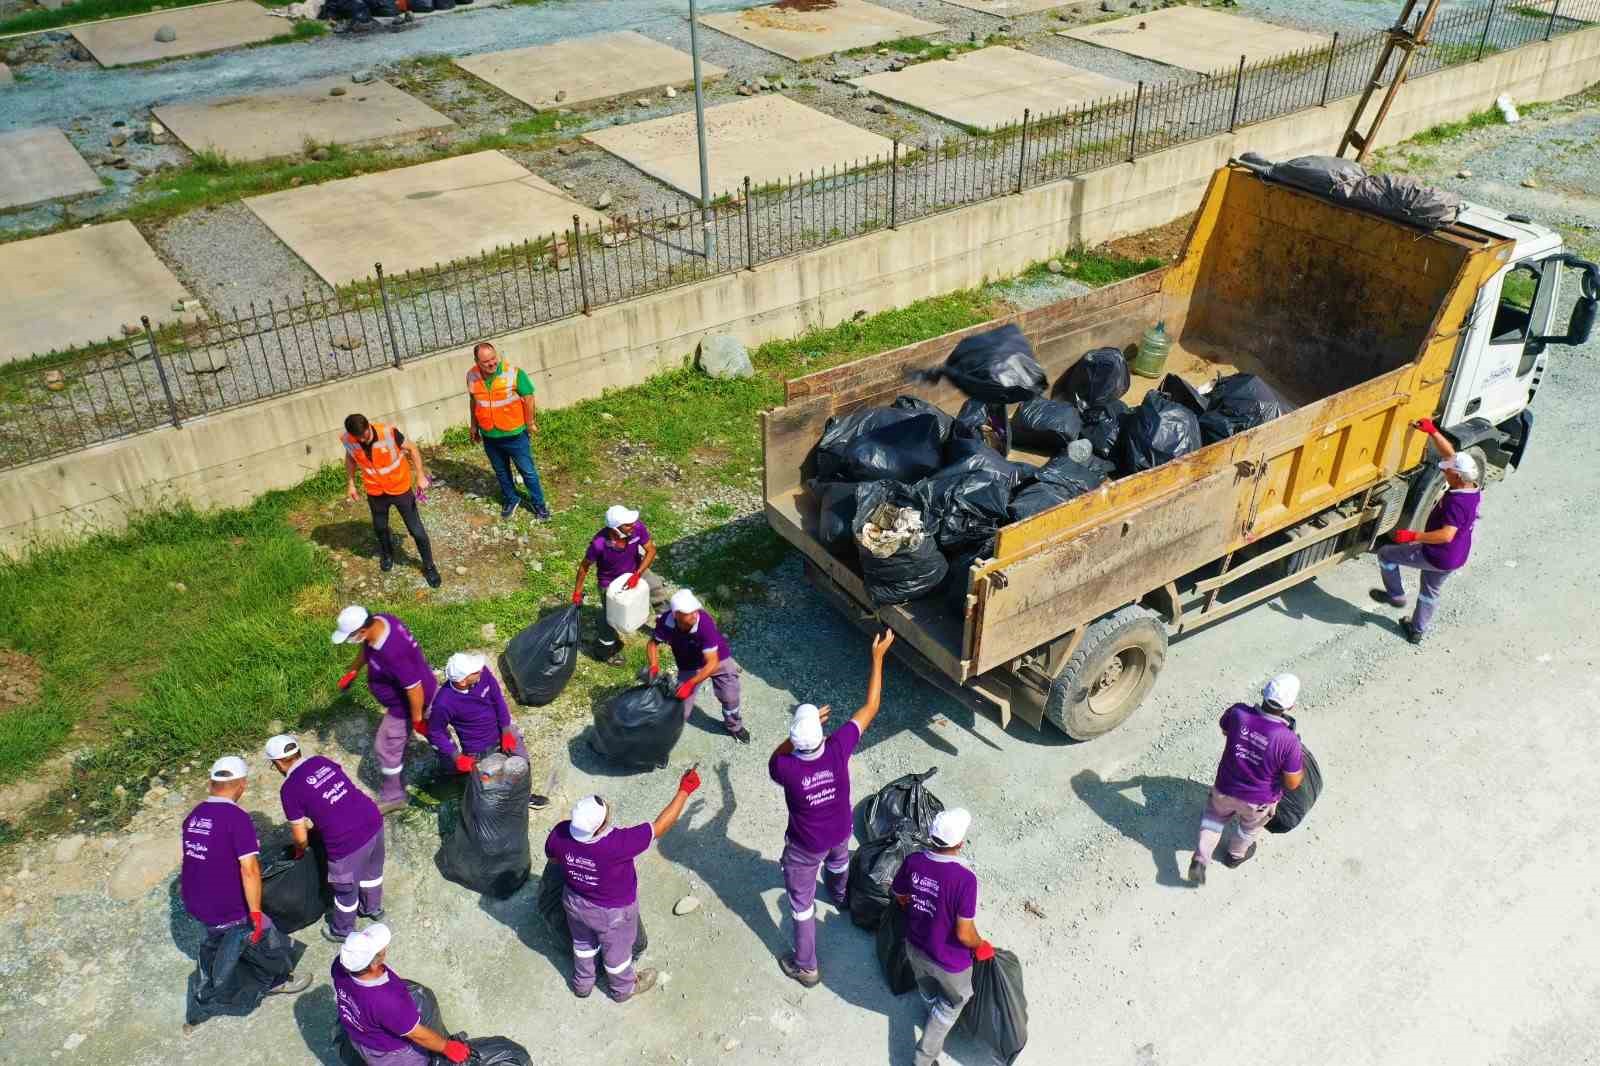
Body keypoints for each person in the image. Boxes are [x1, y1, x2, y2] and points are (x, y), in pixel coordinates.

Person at [769, 629, 896, 987]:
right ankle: (840, 896)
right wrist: (877, 658)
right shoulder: (839, 748)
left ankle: (806, 966)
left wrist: (793, 734)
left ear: (795, 741)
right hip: (841, 832)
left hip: (805, 848)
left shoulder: (787, 769)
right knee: (839, 862)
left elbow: (775, 757)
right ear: (822, 736)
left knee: (801, 906)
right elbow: (871, 707)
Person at [543, 770, 700, 1002]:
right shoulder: (618, 844)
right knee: (617, 955)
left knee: (583, 944)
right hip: (611, 914)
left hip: (574, 902)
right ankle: (622, 989)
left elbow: (553, 861)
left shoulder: (560, 833)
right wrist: (684, 791)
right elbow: (660, 826)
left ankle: (583, 984)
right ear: (599, 827)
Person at [180, 756, 309, 1033]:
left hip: (195, 898)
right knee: (259, 936)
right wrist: (254, 912)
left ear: (213, 783)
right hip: (225, 905)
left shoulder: (194, 816)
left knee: (221, 939)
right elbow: (249, 869)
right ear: (240, 785)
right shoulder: (236, 818)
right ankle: (273, 982)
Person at [892, 808, 993, 1066]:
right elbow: (964, 932)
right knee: (953, 1002)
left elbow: (901, 896)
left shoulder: (914, 861)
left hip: (915, 945)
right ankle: (924, 1059)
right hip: (949, 961)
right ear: (959, 843)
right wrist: (981, 946)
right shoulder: (964, 879)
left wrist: (922, 909)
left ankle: (930, 1010)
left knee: (926, 986)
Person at [1371, 418, 1484, 644]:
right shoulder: (1472, 487)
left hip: (1437, 554)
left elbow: (1446, 535)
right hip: (1456, 556)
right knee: (1430, 591)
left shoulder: (1457, 502)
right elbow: (1450, 455)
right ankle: (1417, 630)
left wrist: (1414, 536)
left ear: (1458, 477)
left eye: (1449, 472)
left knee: (1386, 555)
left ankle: (1396, 595)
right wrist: (1433, 432)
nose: (1445, 473)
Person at [265, 735, 386, 944]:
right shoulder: (320, 762)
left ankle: (342, 930)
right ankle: (373, 908)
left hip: (345, 841)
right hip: (372, 820)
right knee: (372, 872)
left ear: (277, 763)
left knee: (345, 890)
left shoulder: (289, 789)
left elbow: (300, 835)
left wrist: (300, 853)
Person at [1187, 674, 1305, 886]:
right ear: (1291, 706)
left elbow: (1225, 729)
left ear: (1264, 693)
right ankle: (1235, 855)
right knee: (1248, 829)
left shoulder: (1238, 713)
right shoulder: (1288, 741)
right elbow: (1293, 783)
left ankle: (1200, 859)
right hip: (1257, 802)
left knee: (1213, 821)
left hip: (1224, 789)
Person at [333, 605, 439, 815]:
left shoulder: (393, 651)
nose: (349, 641)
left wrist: (416, 718)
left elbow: (414, 688)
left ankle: (394, 797)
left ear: (362, 630)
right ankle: (451, 759)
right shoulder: (381, 621)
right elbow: (367, 648)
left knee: (386, 747)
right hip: (410, 695)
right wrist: (354, 670)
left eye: (349, 637)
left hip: (408, 703)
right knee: (437, 731)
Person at [332, 923, 470, 1065]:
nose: (386, 947)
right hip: (387, 1052)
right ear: (374, 964)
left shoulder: (340, 966)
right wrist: (446, 1047)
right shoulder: (387, 999)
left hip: (358, 1034)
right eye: (382, 948)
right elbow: (417, 1034)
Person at [427, 652, 548, 811]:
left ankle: (523, 798)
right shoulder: (444, 702)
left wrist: (506, 729)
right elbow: (435, 731)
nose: (481, 670)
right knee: (492, 783)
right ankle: (498, 806)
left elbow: (498, 699)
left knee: (522, 765)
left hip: (501, 730)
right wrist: (456, 756)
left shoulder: (483, 675)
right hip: (478, 748)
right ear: (462, 681)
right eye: (475, 672)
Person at [342, 413, 441, 588]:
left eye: (364, 435)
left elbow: (412, 449)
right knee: (380, 527)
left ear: (368, 426)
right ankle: (387, 554)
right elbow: (351, 458)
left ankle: (429, 566)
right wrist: (351, 484)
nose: (362, 440)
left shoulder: (388, 433)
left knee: (416, 530)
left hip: (400, 488)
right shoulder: (349, 439)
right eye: (358, 438)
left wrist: (420, 475)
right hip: (375, 492)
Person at [645, 589, 749, 744]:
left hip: (718, 659)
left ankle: (734, 726)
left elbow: (712, 663)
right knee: (680, 710)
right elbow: (652, 644)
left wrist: (691, 684)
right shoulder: (666, 623)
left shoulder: (704, 623)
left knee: (730, 695)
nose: (695, 614)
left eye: (695, 609)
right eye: (689, 612)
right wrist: (653, 666)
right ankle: (664, 743)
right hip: (688, 665)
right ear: (676, 615)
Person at [572, 504, 671, 660]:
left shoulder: (637, 528)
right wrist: (577, 592)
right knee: (610, 616)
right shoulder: (599, 544)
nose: (633, 526)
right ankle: (606, 650)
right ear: (615, 528)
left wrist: (637, 575)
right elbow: (584, 567)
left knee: (656, 588)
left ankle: (667, 626)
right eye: (627, 525)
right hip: (610, 581)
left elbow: (651, 550)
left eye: (632, 522)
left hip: (636, 570)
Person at [466, 341, 550, 521]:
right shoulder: (471, 376)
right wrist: (474, 426)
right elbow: (474, 401)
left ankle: (539, 504)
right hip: (490, 435)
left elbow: (528, 397)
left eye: (493, 358)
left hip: (515, 435)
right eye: (486, 361)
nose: (492, 363)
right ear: (476, 361)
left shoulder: (514, 373)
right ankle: (511, 498)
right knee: (501, 471)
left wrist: (530, 422)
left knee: (527, 472)